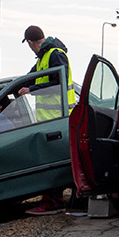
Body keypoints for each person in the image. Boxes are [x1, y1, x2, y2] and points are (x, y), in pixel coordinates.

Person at [20, 25, 76, 215]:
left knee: (51, 161)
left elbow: (58, 81)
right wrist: (15, 87)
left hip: (58, 118)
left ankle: (54, 202)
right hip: (50, 119)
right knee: (50, 160)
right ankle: (54, 199)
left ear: (30, 42)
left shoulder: (54, 54)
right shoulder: (44, 57)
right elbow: (31, 77)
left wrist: (31, 90)